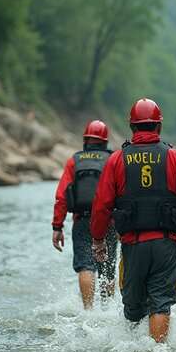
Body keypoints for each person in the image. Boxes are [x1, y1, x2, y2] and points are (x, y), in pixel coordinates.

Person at [90, 98, 176, 343]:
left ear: (132, 127)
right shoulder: (174, 158)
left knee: (132, 309)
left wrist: (98, 240)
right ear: (159, 127)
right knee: (161, 303)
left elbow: (101, 205)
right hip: (166, 245)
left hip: (133, 246)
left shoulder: (117, 160)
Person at [52, 120, 117, 309]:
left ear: (85, 140)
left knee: (85, 265)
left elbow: (62, 196)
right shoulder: (112, 159)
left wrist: (57, 226)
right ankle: (106, 309)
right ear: (105, 141)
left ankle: (88, 311)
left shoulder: (74, 160)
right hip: (108, 221)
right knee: (107, 268)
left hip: (81, 221)